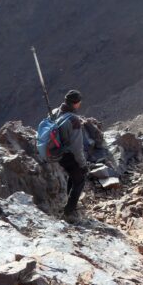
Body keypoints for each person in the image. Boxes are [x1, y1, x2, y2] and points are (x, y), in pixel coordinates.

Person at [52, 89, 89, 223]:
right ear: (76, 103)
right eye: (79, 102)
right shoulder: (73, 120)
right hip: (69, 155)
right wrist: (83, 164)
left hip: (56, 153)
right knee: (80, 180)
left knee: (72, 176)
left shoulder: (56, 111)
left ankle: (66, 202)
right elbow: (77, 147)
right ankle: (69, 212)